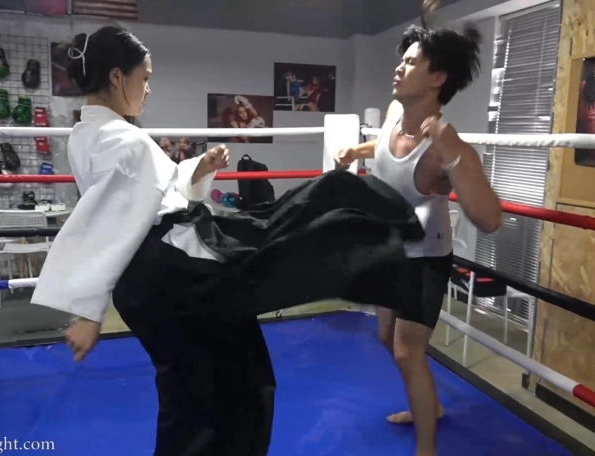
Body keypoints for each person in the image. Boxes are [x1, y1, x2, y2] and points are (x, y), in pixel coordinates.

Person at [31, 26, 431, 456]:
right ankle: (380, 233)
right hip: (172, 273)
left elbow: (147, 194)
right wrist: (88, 310)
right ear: (116, 77)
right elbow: (109, 218)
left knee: (210, 385)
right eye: (144, 78)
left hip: (161, 272)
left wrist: (197, 169)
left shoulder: (92, 134)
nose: (148, 89)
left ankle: (374, 227)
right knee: (223, 383)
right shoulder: (118, 139)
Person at [334, 23, 502, 456]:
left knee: (408, 353)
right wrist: (356, 151)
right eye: (402, 59)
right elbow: (385, 146)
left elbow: (490, 219)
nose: (398, 67)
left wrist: (453, 155)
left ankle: (426, 447)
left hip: (424, 257)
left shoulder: (446, 146)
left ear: (437, 78)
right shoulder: (395, 110)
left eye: (410, 62)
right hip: (388, 249)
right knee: (387, 340)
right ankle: (430, 406)